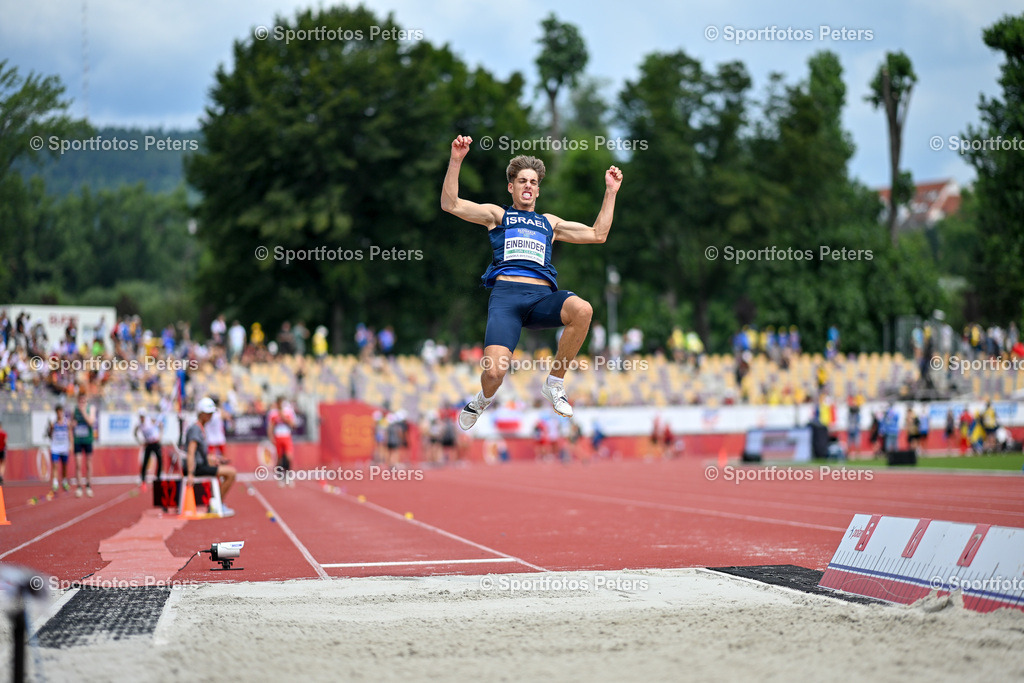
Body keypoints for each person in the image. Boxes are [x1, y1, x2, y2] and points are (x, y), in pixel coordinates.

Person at [441, 134, 623, 429]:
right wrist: (456, 160)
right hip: (506, 300)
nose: (528, 185)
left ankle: (554, 382)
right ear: (511, 187)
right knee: (494, 372)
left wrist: (611, 192)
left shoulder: (549, 223)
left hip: (541, 299)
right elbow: (450, 203)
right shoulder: (497, 215)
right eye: (522, 181)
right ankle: (483, 399)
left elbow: (597, 234)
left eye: (533, 182)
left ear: (538, 190)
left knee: (583, 310)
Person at [185, 397, 236, 516]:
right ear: (201, 413)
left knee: (224, 469)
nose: (210, 416)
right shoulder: (195, 429)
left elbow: (198, 453)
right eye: (208, 414)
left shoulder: (200, 428)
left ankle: (216, 502)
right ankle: (218, 504)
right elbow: (191, 452)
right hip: (197, 468)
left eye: (211, 413)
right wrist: (190, 474)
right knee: (231, 473)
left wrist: (213, 459)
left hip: (201, 464)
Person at [267, 396, 297, 484]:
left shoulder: (288, 411)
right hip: (278, 436)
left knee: (288, 456)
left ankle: (288, 475)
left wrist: (285, 418)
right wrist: (271, 437)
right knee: (279, 457)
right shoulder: (273, 413)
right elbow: (270, 426)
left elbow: (293, 425)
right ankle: (280, 476)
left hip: (287, 436)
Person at [72, 394, 97, 497]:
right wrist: (72, 424)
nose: (81, 403)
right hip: (78, 439)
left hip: (87, 439)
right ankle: (79, 486)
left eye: (83, 401)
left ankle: (88, 485)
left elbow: (91, 422)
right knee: (78, 464)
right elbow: (72, 422)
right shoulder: (75, 410)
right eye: (80, 401)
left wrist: (83, 412)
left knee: (88, 463)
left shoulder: (90, 408)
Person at [135, 409, 164, 488]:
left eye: (143, 417)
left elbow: (161, 424)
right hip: (148, 444)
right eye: (141, 417)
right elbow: (135, 432)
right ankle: (143, 478)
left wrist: (160, 435)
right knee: (145, 461)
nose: (142, 418)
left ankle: (158, 476)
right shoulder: (139, 424)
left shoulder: (150, 420)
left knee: (160, 460)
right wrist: (140, 441)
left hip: (155, 442)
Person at [47, 405, 72, 493]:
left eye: (61, 412)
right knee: (55, 465)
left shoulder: (67, 422)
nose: (59, 414)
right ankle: (55, 483)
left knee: (64, 466)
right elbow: (49, 436)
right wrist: (51, 428)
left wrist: (71, 444)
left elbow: (70, 433)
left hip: (64, 447)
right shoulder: (53, 423)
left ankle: (64, 481)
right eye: (58, 412)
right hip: (55, 447)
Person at [0, 419, 6, 485]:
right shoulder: (4, 433)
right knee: (2, 464)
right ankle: (1, 475)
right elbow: (5, 441)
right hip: (2, 450)